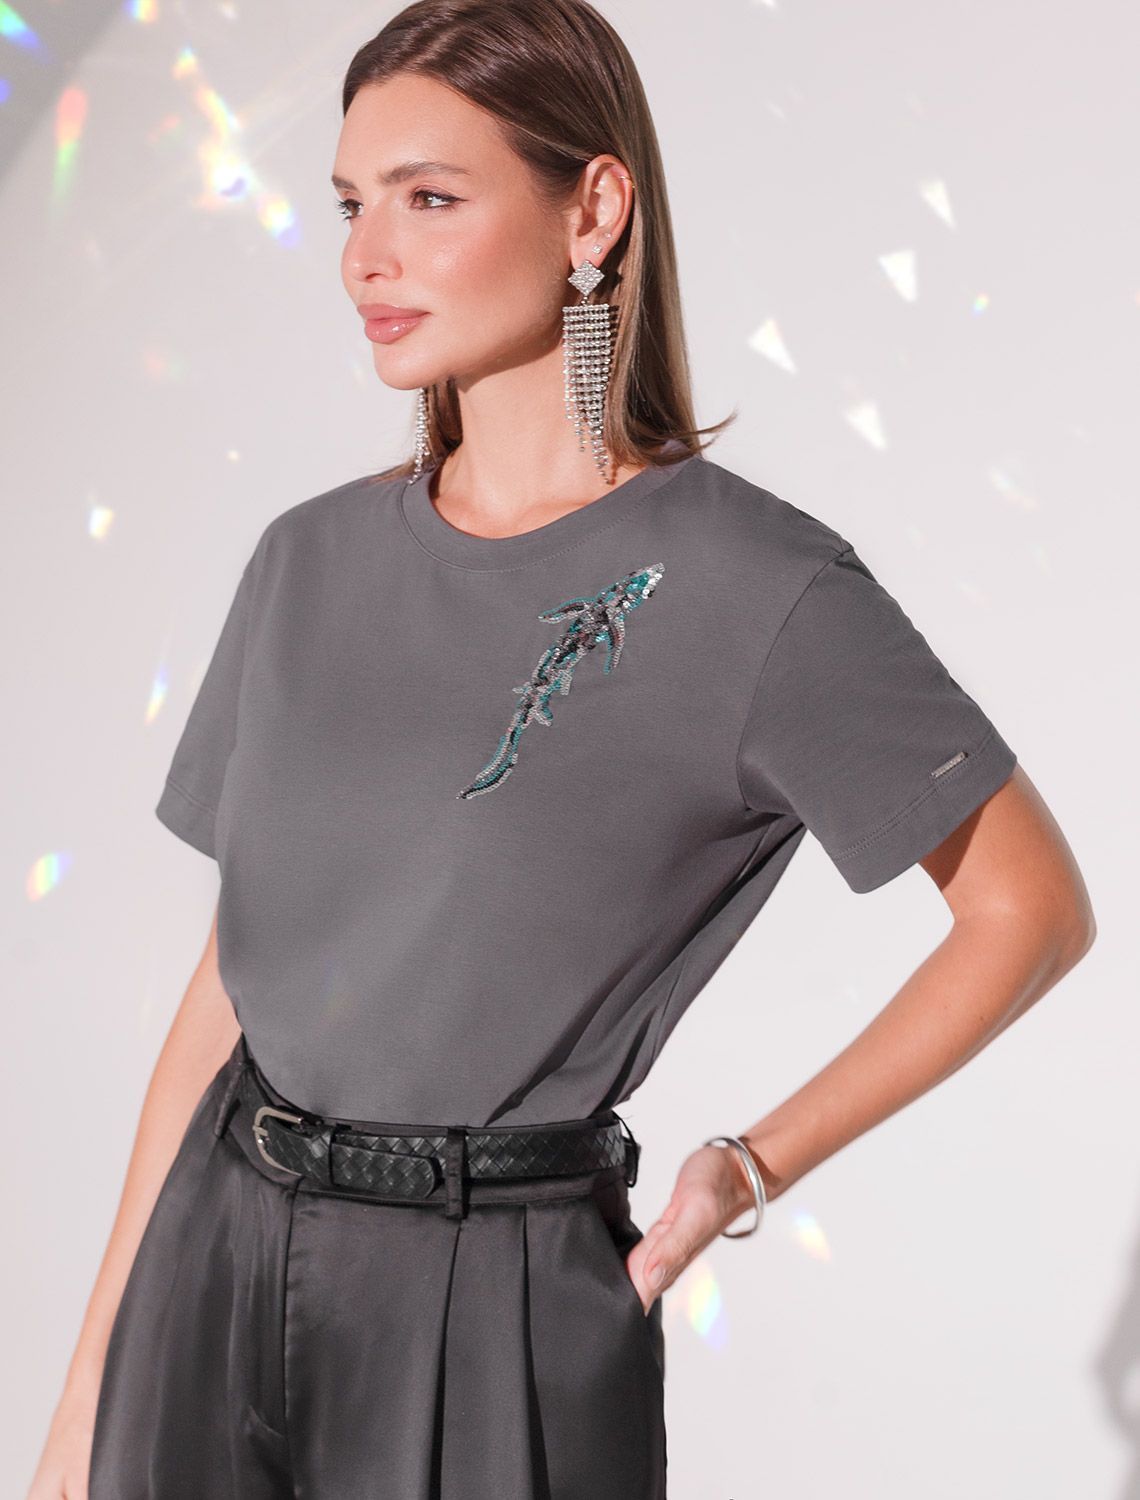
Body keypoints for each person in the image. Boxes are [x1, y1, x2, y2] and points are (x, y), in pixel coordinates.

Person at [27, 2, 1096, 1497]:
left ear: (592, 210)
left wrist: (750, 1164)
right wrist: (87, 1390)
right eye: (351, 204)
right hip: (212, 1252)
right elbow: (234, 979)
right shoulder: (306, 561)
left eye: (428, 198)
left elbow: (1030, 911)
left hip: (489, 1304)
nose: (365, 257)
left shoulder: (751, 587)